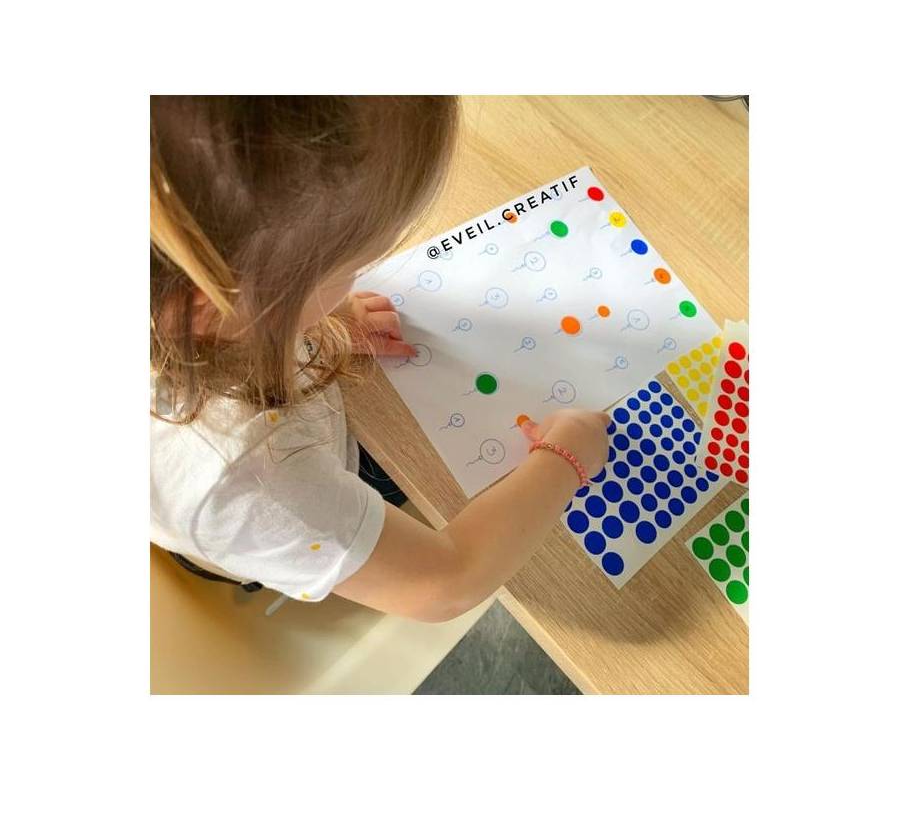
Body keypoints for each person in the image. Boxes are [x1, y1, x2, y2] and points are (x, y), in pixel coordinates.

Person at [150, 96, 609, 622]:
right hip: (281, 513)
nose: (359, 280)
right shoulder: (252, 484)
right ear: (220, 304)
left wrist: (320, 316)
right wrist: (566, 459)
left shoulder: (184, 295)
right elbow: (449, 582)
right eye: (350, 269)